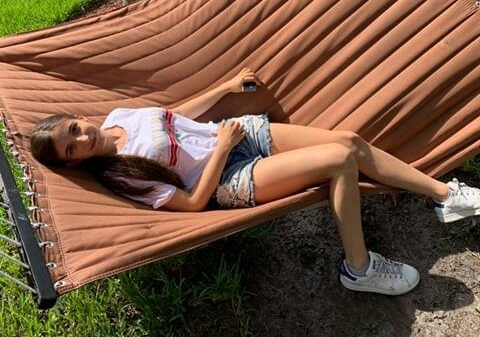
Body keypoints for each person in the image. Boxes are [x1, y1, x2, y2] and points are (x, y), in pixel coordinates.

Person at [30, 67, 480, 296]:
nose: (82, 139)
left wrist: (223, 88)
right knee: (340, 160)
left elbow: (177, 114)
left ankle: (446, 196)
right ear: (73, 164)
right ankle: (359, 269)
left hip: (238, 134)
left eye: (74, 130)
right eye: (72, 149)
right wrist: (221, 150)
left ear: (77, 117)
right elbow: (193, 202)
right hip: (230, 177)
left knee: (349, 140)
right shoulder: (122, 176)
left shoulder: (116, 117)